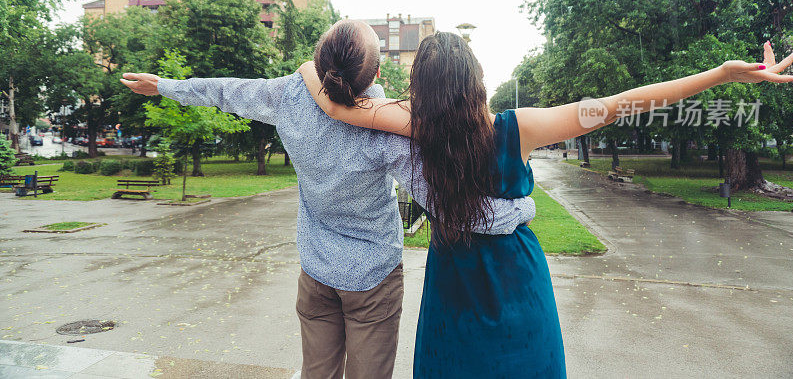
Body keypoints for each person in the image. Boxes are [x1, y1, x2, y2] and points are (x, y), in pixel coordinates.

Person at [298, 35, 793, 378]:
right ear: (475, 80)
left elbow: (333, 100)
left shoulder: (415, 126)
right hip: (519, 286)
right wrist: (722, 74)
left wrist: (307, 65)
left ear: (422, 90)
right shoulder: (518, 129)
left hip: (452, 293)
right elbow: (624, 102)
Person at [120, 20, 536, 379]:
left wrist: (164, 86)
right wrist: (518, 209)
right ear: (373, 72)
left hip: (315, 271)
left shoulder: (288, 96)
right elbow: (450, 208)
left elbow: (228, 92)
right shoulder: (385, 128)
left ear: (319, 59)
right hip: (372, 280)